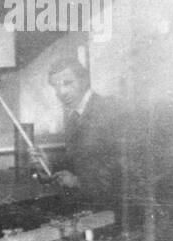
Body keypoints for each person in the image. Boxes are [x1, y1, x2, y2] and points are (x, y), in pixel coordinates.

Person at [35, 59, 124, 208]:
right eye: (56, 86)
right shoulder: (73, 118)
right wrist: (48, 163)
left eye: (67, 83)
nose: (61, 92)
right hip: (87, 205)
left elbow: (122, 166)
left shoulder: (108, 109)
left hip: (113, 208)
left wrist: (78, 182)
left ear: (84, 81)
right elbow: (78, 160)